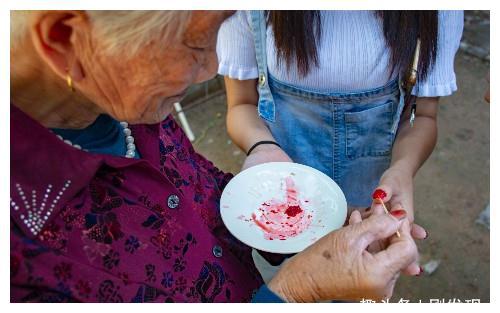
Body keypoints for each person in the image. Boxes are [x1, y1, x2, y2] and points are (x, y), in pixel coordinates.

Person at [10, 10, 419, 303]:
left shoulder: (127, 104)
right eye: (194, 43)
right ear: (65, 40)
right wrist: (298, 290)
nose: (210, 68)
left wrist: (311, 223)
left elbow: (196, 202)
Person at [218, 10, 464, 223]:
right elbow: (242, 104)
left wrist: (403, 168)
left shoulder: (437, 11)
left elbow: (423, 115)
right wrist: (262, 148)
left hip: (371, 195)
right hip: (282, 195)